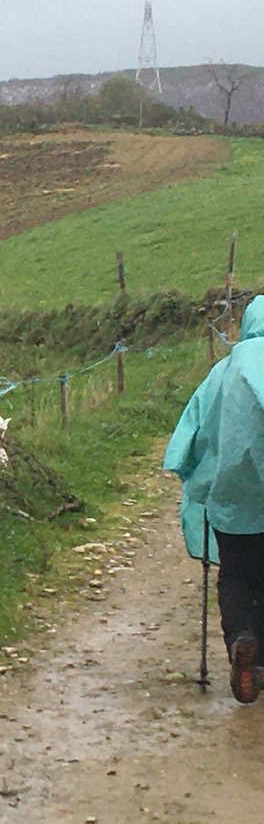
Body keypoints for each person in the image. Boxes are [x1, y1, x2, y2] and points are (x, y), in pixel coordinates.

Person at [164, 295, 264, 703]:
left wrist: (193, 475)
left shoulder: (223, 372)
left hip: (232, 499)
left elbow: (192, 433)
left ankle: (242, 640)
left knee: (237, 573)